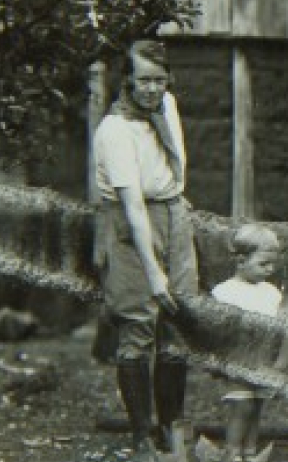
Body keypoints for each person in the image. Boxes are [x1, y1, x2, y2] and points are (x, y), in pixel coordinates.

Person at [94, 39, 198, 462]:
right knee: (138, 324)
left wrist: (178, 212)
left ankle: (170, 430)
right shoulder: (114, 130)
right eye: (144, 81)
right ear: (126, 81)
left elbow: (172, 169)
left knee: (179, 317)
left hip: (174, 213)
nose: (153, 89)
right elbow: (133, 205)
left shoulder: (167, 105)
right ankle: (141, 436)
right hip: (132, 221)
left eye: (159, 79)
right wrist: (153, 271)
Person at [211, 223, 284, 462]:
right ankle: (232, 451)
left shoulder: (271, 293)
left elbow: (277, 326)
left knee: (257, 405)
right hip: (238, 358)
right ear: (241, 261)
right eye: (263, 264)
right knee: (241, 406)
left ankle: (250, 451)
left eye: (272, 264)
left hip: (264, 359)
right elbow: (219, 330)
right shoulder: (224, 292)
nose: (269, 269)